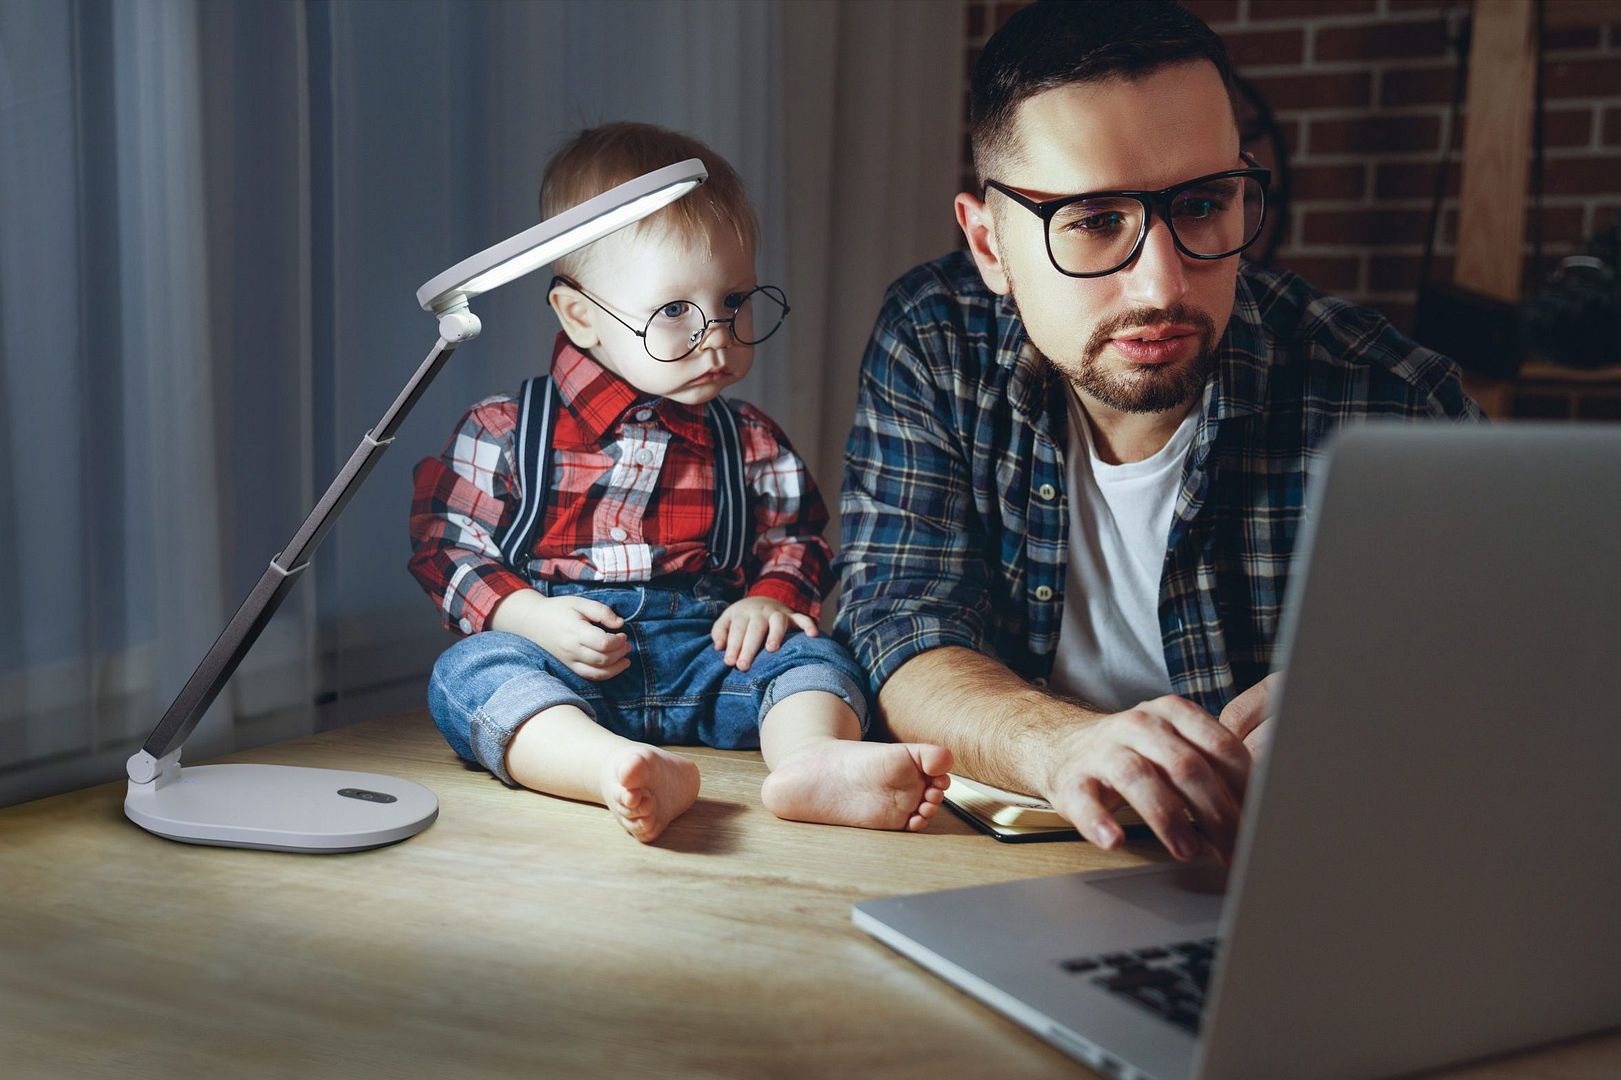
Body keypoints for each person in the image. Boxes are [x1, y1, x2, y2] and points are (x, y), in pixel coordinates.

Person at [834, 1, 1481, 864]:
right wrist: (1057, 744)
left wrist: (1374, 704)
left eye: (1203, 204)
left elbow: (1510, 677)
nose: (1160, 284)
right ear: (989, 245)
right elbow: (899, 624)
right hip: (1010, 860)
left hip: (1297, 872)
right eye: (1097, 221)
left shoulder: (1391, 402)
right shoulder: (934, 340)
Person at [410, 123, 952, 843]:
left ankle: (812, 762)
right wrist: (525, 616)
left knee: (816, 656)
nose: (719, 338)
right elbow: (447, 544)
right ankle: (610, 767)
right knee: (469, 673)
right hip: (567, 662)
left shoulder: (748, 438)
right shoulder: (505, 429)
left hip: (711, 657)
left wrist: (770, 596)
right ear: (580, 317)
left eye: (732, 301)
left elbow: (797, 538)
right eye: (674, 312)